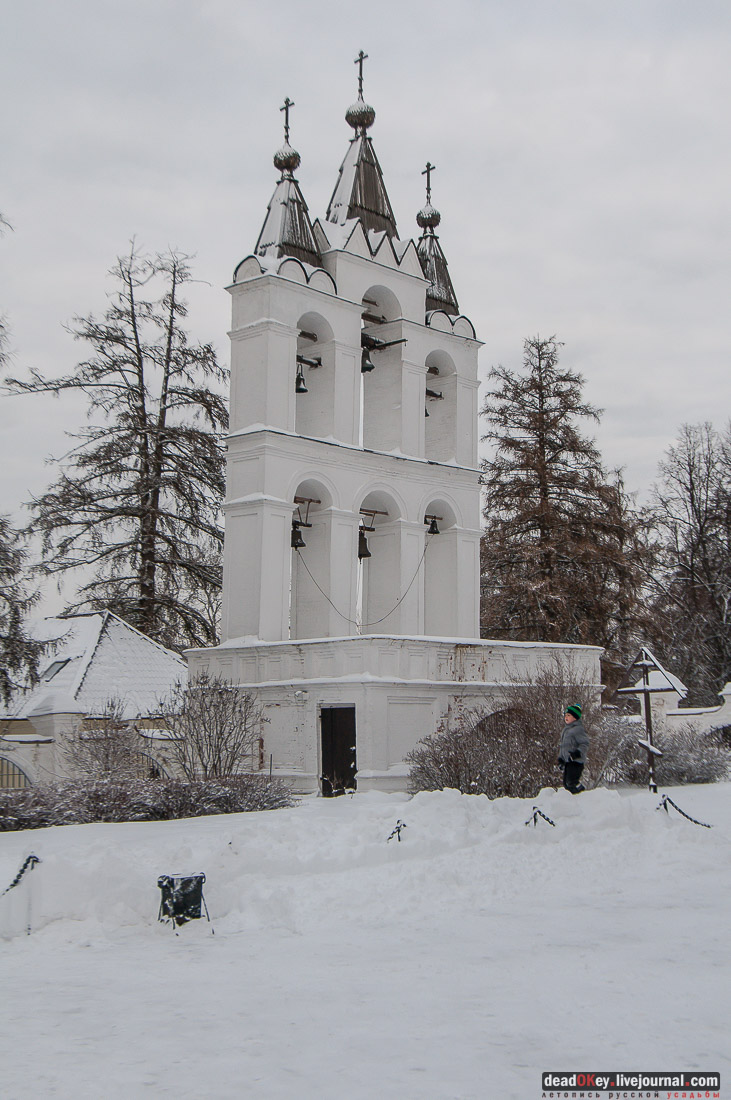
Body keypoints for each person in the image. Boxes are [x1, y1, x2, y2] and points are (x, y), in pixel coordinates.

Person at [558, 704, 589, 793]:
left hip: (576, 761)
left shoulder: (578, 729)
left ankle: (582, 792)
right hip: (568, 761)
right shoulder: (565, 730)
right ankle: (572, 800)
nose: (566, 717)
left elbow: (584, 743)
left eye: (569, 715)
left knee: (572, 781)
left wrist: (577, 753)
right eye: (565, 715)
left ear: (575, 717)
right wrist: (561, 758)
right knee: (566, 783)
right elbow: (563, 746)